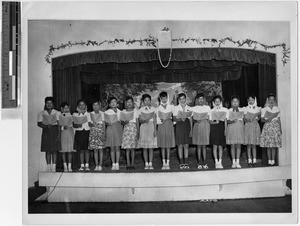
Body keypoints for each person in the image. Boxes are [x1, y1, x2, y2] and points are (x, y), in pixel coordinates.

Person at [37, 97, 60, 172]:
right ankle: (48, 168)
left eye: (51, 103)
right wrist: (46, 126)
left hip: (55, 130)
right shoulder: (41, 113)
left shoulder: (57, 112)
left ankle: (54, 168)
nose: (49, 105)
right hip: (46, 131)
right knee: (48, 150)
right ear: (45, 104)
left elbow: (59, 124)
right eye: (47, 103)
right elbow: (39, 123)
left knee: (54, 150)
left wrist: (59, 134)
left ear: (53, 104)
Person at [260, 94, 282, 166]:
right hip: (268, 127)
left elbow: (278, 120)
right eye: (270, 99)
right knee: (268, 145)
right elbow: (262, 120)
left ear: (275, 100)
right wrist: (267, 120)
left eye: (273, 99)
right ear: (268, 100)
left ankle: (273, 160)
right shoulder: (264, 109)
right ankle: (269, 160)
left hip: (275, 126)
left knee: (274, 145)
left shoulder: (277, 108)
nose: (271, 101)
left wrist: (280, 128)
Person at [173, 93, 193, 170]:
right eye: (180, 99)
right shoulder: (175, 108)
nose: (182, 100)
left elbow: (190, 119)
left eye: (183, 98)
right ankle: (181, 163)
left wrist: (191, 130)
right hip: (179, 126)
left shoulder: (189, 108)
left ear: (185, 99)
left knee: (186, 145)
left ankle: (186, 162)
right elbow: (174, 118)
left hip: (187, 126)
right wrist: (180, 118)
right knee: (180, 145)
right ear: (178, 100)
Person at [191, 93, 210, 169]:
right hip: (197, 127)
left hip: (205, 126)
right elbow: (192, 119)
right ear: (196, 100)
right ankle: (199, 163)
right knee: (198, 146)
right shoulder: (194, 108)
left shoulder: (207, 107)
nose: (201, 100)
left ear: (204, 99)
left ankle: (205, 162)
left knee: (204, 146)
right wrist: (195, 120)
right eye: (199, 99)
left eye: (202, 99)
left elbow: (209, 118)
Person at [156, 91, 175, 170]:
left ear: (167, 98)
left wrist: (171, 121)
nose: (164, 100)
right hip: (161, 126)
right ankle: (164, 163)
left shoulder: (171, 107)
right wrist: (161, 120)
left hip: (169, 126)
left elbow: (175, 117)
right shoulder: (158, 108)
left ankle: (168, 162)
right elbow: (157, 120)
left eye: (165, 98)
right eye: (162, 98)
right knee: (163, 146)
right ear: (160, 99)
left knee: (168, 146)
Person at [138, 94, 157, 170]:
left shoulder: (154, 109)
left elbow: (155, 120)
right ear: (143, 101)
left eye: (148, 100)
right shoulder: (140, 110)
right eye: (145, 100)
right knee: (145, 147)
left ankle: (150, 163)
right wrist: (143, 120)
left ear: (150, 101)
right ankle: (146, 163)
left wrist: (155, 130)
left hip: (151, 127)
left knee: (150, 147)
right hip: (143, 127)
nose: (147, 102)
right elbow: (139, 120)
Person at [209, 95, 228, 169]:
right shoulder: (211, 111)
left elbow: (226, 121)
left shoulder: (224, 110)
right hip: (214, 128)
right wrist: (214, 122)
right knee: (214, 146)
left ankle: (220, 161)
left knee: (220, 146)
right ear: (213, 102)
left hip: (221, 128)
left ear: (221, 102)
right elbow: (209, 121)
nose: (217, 103)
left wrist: (225, 130)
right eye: (216, 101)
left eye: (218, 101)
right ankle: (216, 162)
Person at [104, 97, 123, 170]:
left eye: (114, 102)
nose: (113, 103)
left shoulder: (120, 112)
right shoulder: (106, 112)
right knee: (112, 147)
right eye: (111, 102)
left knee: (117, 147)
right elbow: (104, 121)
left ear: (117, 103)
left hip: (118, 128)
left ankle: (117, 163)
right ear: (109, 104)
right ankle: (113, 163)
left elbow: (122, 120)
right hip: (110, 129)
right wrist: (107, 123)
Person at [121, 96, 139, 170]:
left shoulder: (136, 110)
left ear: (132, 103)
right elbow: (121, 122)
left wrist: (138, 131)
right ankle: (128, 164)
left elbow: (137, 121)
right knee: (127, 149)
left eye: (130, 102)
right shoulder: (123, 111)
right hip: (126, 129)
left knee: (132, 149)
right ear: (125, 103)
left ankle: (132, 164)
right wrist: (124, 122)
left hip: (133, 129)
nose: (129, 103)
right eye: (127, 102)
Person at [226, 96, 244, 168]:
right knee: (232, 145)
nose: (235, 103)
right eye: (233, 101)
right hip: (232, 128)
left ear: (239, 102)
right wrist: (232, 120)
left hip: (239, 128)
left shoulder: (242, 110)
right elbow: (227, 121)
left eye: (236, 101)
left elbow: (244, 119)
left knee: (238, 145)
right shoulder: (229, 110)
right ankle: (233, 162)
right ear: (231, 103)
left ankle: (238, 161)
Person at [73, 99, 91, 171]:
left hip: (87, 131)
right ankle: (81, 165)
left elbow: (90, 123)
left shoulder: (89, 114)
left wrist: (91, 124)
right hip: (79, 132)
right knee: (81, 150)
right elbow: (74, 124)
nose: (82, 106)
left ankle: (87, 165)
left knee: (86, 149)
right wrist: (77, 125)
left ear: (85, 106)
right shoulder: (75, 114)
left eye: (83, 105)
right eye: (80, 105)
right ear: (78, 106)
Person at [244, 95, 261, 166]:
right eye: (249, 100)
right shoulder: (246, 108)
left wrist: (257, 118)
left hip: (255, 126)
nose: (251, 101)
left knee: (254, 144)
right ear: (248, 100)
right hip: (248, 125)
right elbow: (244, 119)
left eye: (252, 100)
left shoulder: (258, 108)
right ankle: (249, 159)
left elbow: (259, 117)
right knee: (248, 144)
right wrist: (248, 119)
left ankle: (254, 159)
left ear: (255, 100)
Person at [88, 100, 106, 171]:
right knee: (95, 150)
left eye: (97, 105)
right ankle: (96, 165)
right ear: (92, 106)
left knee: (100, 149)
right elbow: (89, 123)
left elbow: (104, 123)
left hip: (100, 131)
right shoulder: (90, 114)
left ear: (99, 106)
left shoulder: (102, 113)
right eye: (94, 105)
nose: (95, 107)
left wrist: (104, 133)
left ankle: (100, 165)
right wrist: (92, 124)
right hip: (93, 131)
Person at [58, 102, 75, 172]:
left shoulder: (71, 115)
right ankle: (65, 166)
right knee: (64, 150)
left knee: (70, 150)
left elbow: (73, 124)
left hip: (70, 132)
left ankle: (69, 166)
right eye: (65, 108)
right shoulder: (60, 116)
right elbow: (59, 126)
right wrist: (62, 127)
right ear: (61, 109)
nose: (66, 109)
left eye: (67, 108)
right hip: (63, 133)